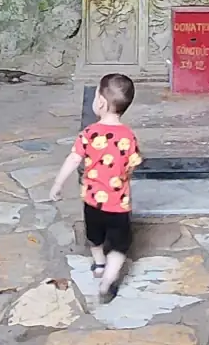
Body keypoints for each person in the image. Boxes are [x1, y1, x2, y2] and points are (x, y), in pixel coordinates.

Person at [50, 73, 144, 300]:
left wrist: (58, 183)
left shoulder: (89, 134)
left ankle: (99, 264)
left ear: (100, 102)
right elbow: (132, 166)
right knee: (120, 247)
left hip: (92, 201)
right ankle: (108, 280)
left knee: (94, 237)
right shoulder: (129, 137)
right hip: (118, 205)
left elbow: (73, 159)